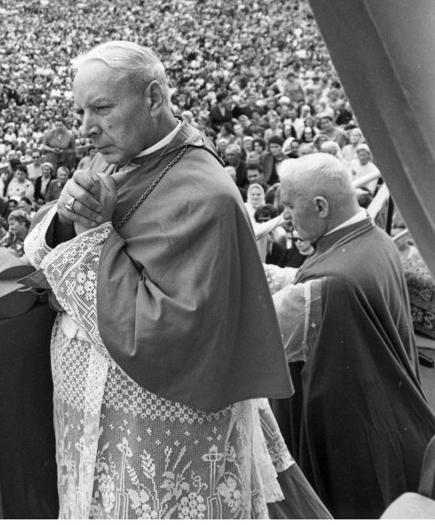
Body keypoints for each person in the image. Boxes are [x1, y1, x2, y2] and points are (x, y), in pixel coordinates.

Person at [24, 41, 293, 518]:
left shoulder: (205, 196)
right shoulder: (115, 154)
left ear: (152, 98)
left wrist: (93, 235)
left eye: (101, 109)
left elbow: (159, 329)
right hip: (96, 417)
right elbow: (46, 245)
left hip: (157, 431)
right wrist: (67, 217)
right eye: (80, 111)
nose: (86, 129)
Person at [272, 153, 435, 518]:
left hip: (352, 446)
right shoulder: (378, 239)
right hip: (395, 428)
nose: (284, 217)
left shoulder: (328, 286)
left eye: (289, 206)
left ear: (320, 206)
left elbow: (259, 330)